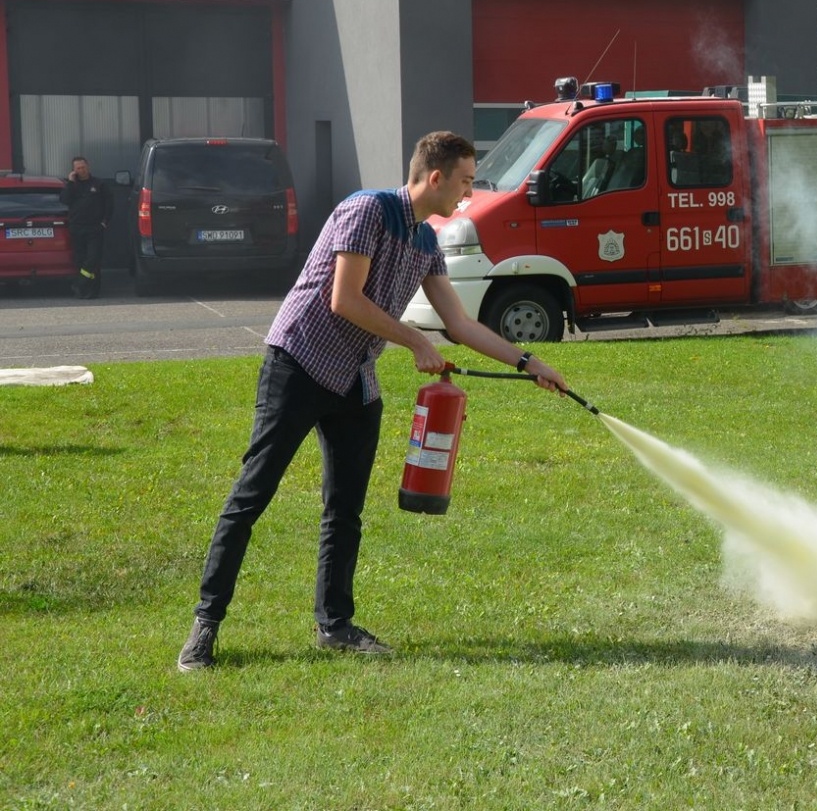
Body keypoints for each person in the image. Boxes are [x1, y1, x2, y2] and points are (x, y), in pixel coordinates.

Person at [178, 131, 567, 671]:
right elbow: (345, 298)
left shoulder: (428, 243)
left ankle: (334, 625)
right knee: (253, 494)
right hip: (299, 361)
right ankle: (205, 625)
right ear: (436, 178)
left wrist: (530, 363)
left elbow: (458, 323)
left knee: (345, 509)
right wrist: (414, 341)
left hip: (354, 377)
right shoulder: (366, 210)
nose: (468, 195)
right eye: (465, 182)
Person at [63, 155, 112, 299]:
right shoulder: (72, 185)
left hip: (94, 228)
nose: (81, 170)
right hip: (76, 228)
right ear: (73, 170)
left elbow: (109, 204)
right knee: (80, 260)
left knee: (93, 259)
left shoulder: (99, 184)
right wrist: (71, 183)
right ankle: (84, 289)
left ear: (88, 166)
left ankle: (83, 285)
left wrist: (105, 222)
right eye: (78, 168)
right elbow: (65, 200)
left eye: (83, 167)